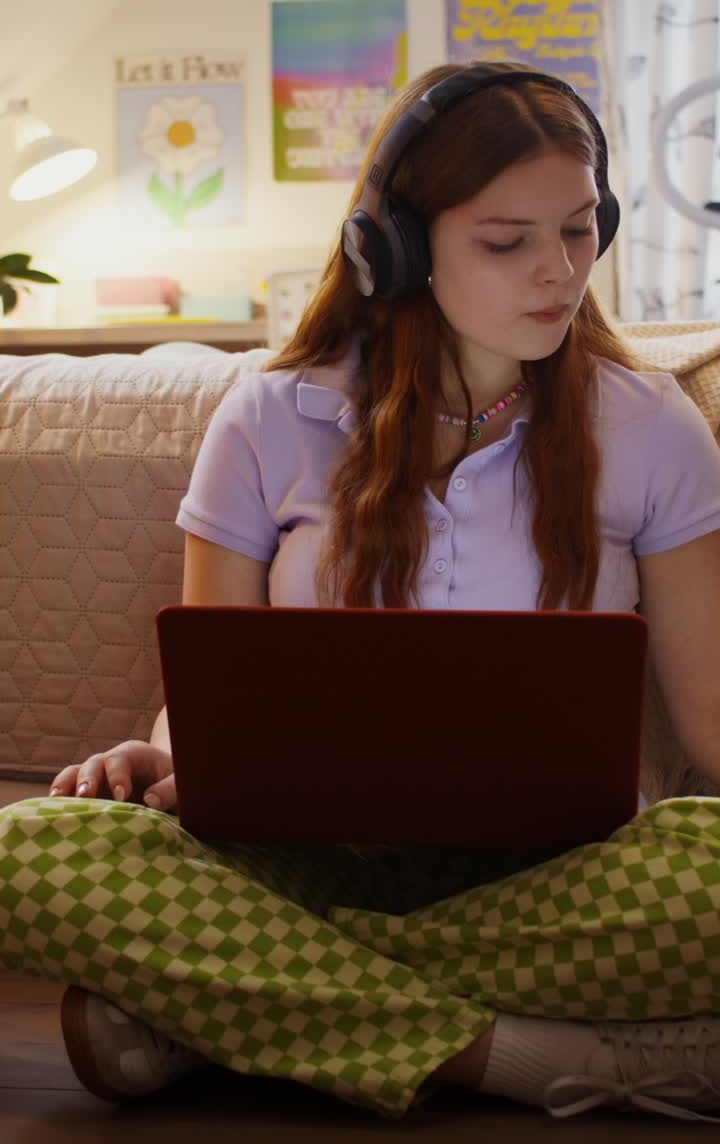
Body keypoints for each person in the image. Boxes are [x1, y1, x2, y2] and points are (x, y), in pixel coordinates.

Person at [2, 61, 720, 1124]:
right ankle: (518, 1052)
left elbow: (712, 728)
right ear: (393, 246)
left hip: (556, 882)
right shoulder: (270, 416)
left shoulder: (650, 426)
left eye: (579, 229)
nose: (559, 272)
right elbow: (215, 686)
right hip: (292, 863)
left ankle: (222, 1009)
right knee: (29, 851)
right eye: (505, 239)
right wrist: (167, 752)